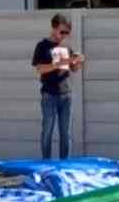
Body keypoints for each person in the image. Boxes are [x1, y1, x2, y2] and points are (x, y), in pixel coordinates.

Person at [32, 13, 84, 159]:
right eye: (62, 32)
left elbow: (73, 69)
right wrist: (58, 64)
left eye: (67, 33)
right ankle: (46, 164)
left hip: (66, 95)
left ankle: (64, 165)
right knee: (47, 132)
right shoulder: (42, 46)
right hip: (49, 95)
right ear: (53, 28)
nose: (64, 35)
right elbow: (40, 69)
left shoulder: (66, 47)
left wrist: (78, 61)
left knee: (65, 134)